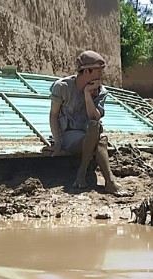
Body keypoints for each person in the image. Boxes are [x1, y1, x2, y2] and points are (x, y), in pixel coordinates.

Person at [45, 50, 129, 196]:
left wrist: (87, 95)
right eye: (98, 71)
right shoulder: (62, 87)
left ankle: (85, 173)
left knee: (95, 128)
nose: (101, 75)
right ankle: (107, 181)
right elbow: (53, 115)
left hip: (89, 132)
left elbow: (94, 118)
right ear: (86, 71)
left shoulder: (101, 91)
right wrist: (57, 142)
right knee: (101, 140)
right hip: (69, 135)